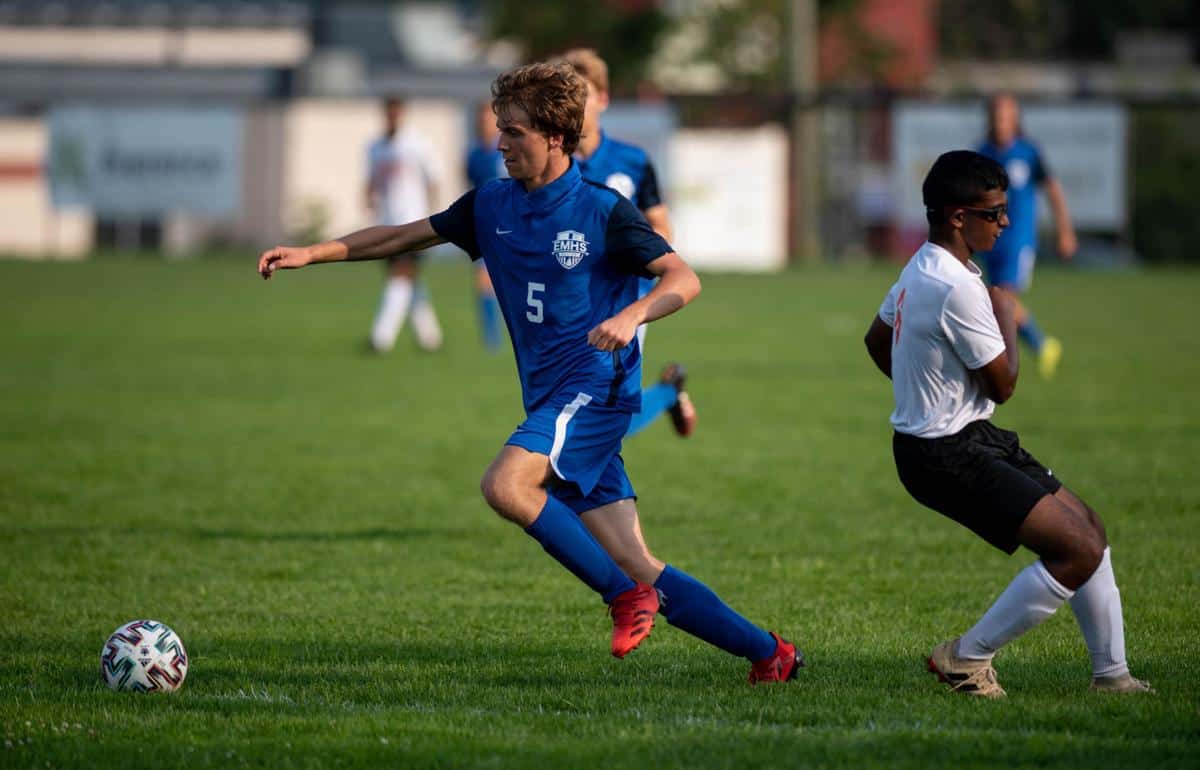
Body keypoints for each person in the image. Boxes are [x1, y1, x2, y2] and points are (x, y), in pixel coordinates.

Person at [258, 61, 802, 684]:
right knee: (639, 561)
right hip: (556, 396)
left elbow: (685, 279)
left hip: (596, 392)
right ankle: (770, 653)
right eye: (499, 129)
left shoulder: (604, 211)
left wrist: (632, 315)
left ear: (554, 136)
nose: (500, 144)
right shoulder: (492, 204)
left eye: (513, 132)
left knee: (506, 486)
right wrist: (313, 252)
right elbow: (404, 237)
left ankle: (622, 598)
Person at [863, 150, 1149, 697]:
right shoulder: (959, 288)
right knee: (1075, 549)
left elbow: (878, 340)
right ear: (957, 217)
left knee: (1090, 531)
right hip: (943, 454)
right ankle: (966, 657)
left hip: (966, 437)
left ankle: (1112, 677)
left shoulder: (925, 265)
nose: (1006, 223)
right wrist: (1007, 315)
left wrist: (922, 388)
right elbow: (1004, 385)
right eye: (994, 213)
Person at [563, 48, 696, 439]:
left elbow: (661, 226)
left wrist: (638, 253)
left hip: (625, 298)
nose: (575, 106)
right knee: (588, 411)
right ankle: (668, 394)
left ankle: (666, 394)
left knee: (605, 418)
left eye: (582, 94)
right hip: (569, 297)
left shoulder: (632, 161)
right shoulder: (554, 164)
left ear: (603, 99)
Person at [976, 93, 1077, 379]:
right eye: (996, 116)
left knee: (1005, 300)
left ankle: (1037, 347)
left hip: (1018, 240)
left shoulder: (1028, 152)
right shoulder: (982, 153)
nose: (1001, 122)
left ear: (1015, 119)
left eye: (1006, 116)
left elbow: (1053, 191)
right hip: (989, 242)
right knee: (996, 303)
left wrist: (1065, 231)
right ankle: (1031, 348)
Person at [366, 96, 444, 353]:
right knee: (408, 279)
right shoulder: (376, 146)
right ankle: (430, 337)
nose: (392, 117)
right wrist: (369, 201)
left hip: (413, 222)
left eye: (396, 113)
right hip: (387, 222)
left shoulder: (417, 143)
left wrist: (432, 218)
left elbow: (434, 179)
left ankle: (381, 338)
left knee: (400, 274)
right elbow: (372, 180)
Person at [465, 100, 506, 352]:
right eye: (480, 119)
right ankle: (492, 338)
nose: (484, 123)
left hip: (512, 224)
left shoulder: (506, 150)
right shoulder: (473, 154)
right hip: (486, 225)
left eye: (488, 118)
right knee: (483, 280)